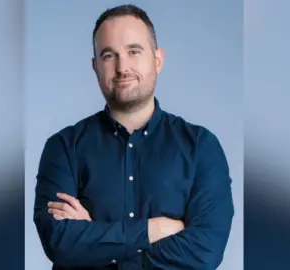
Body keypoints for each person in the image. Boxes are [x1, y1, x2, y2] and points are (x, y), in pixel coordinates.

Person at [33, 4, 234, 269]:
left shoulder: (201, 147)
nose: (122, 67)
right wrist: (153, 231)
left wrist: (96, 241)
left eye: (133, 51)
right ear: (95, 67)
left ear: (158, 60)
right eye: (108, 55)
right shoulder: (63, 147)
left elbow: (205, 252)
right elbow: (59, 242)